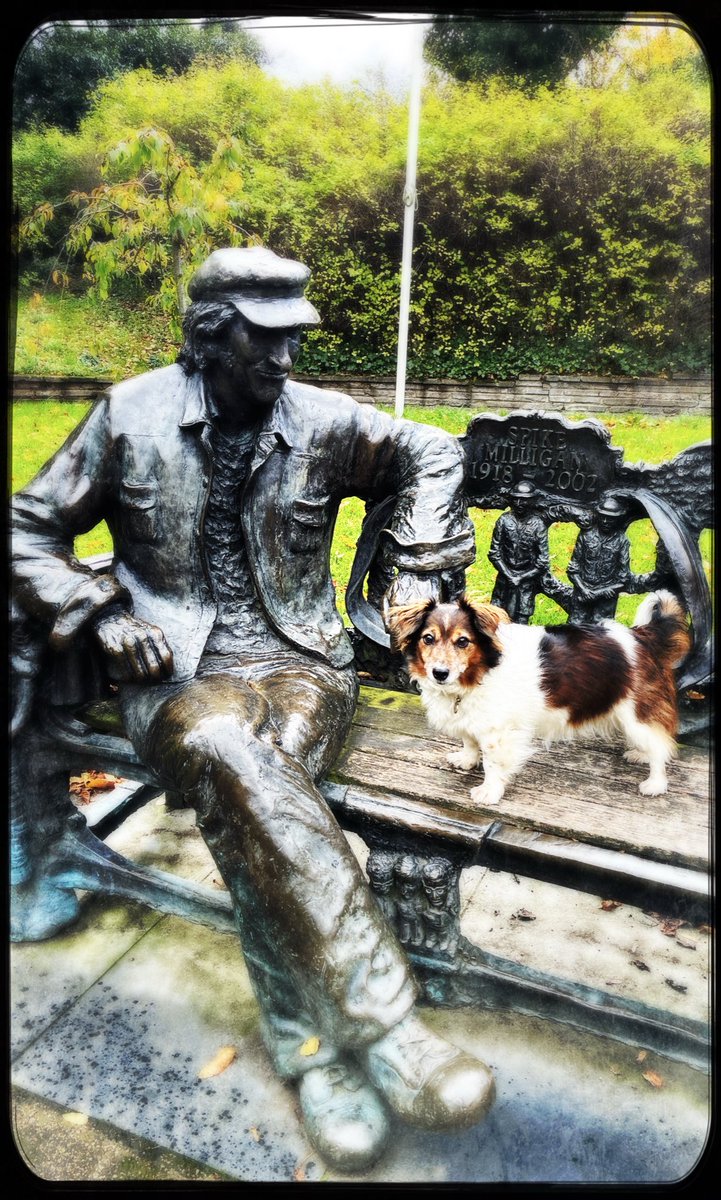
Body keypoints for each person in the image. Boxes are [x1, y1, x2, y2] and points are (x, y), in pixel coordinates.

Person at [11, 246, 495, 1174]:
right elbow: (26, 525)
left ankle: (315, 1054)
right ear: (209, 338)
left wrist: (418, 558)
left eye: (292, 342)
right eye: (263, 342)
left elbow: (432, 449)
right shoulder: (130, 414)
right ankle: (386, 1030)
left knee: (248, 786)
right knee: (236, 748)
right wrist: (98, 613)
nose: (282, 362)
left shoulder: (321, 419)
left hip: (303, 664)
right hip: (176, 677)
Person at [488, 480, 550, 623]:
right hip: (504, 578)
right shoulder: (504, 521)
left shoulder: (538, 525)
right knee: (496, 619)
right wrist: (509, 575)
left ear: (532, 501)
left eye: (524, 500)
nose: (518, 503)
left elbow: (543, 561)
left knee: (521, 620)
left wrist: (520, 578)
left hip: (526, 582)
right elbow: (494, 552)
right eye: (515, 499)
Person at [567, 494, 631, 623]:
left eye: (610, 519)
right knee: (575, 628)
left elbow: (624, 579)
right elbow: (572, 569)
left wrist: (601, 592)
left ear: (618, 519)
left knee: (601, 633)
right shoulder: (586, 536)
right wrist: (584, 590)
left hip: (606, 598)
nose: (606, 522)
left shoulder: (622, 541)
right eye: (603, 517)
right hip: (582, 593)